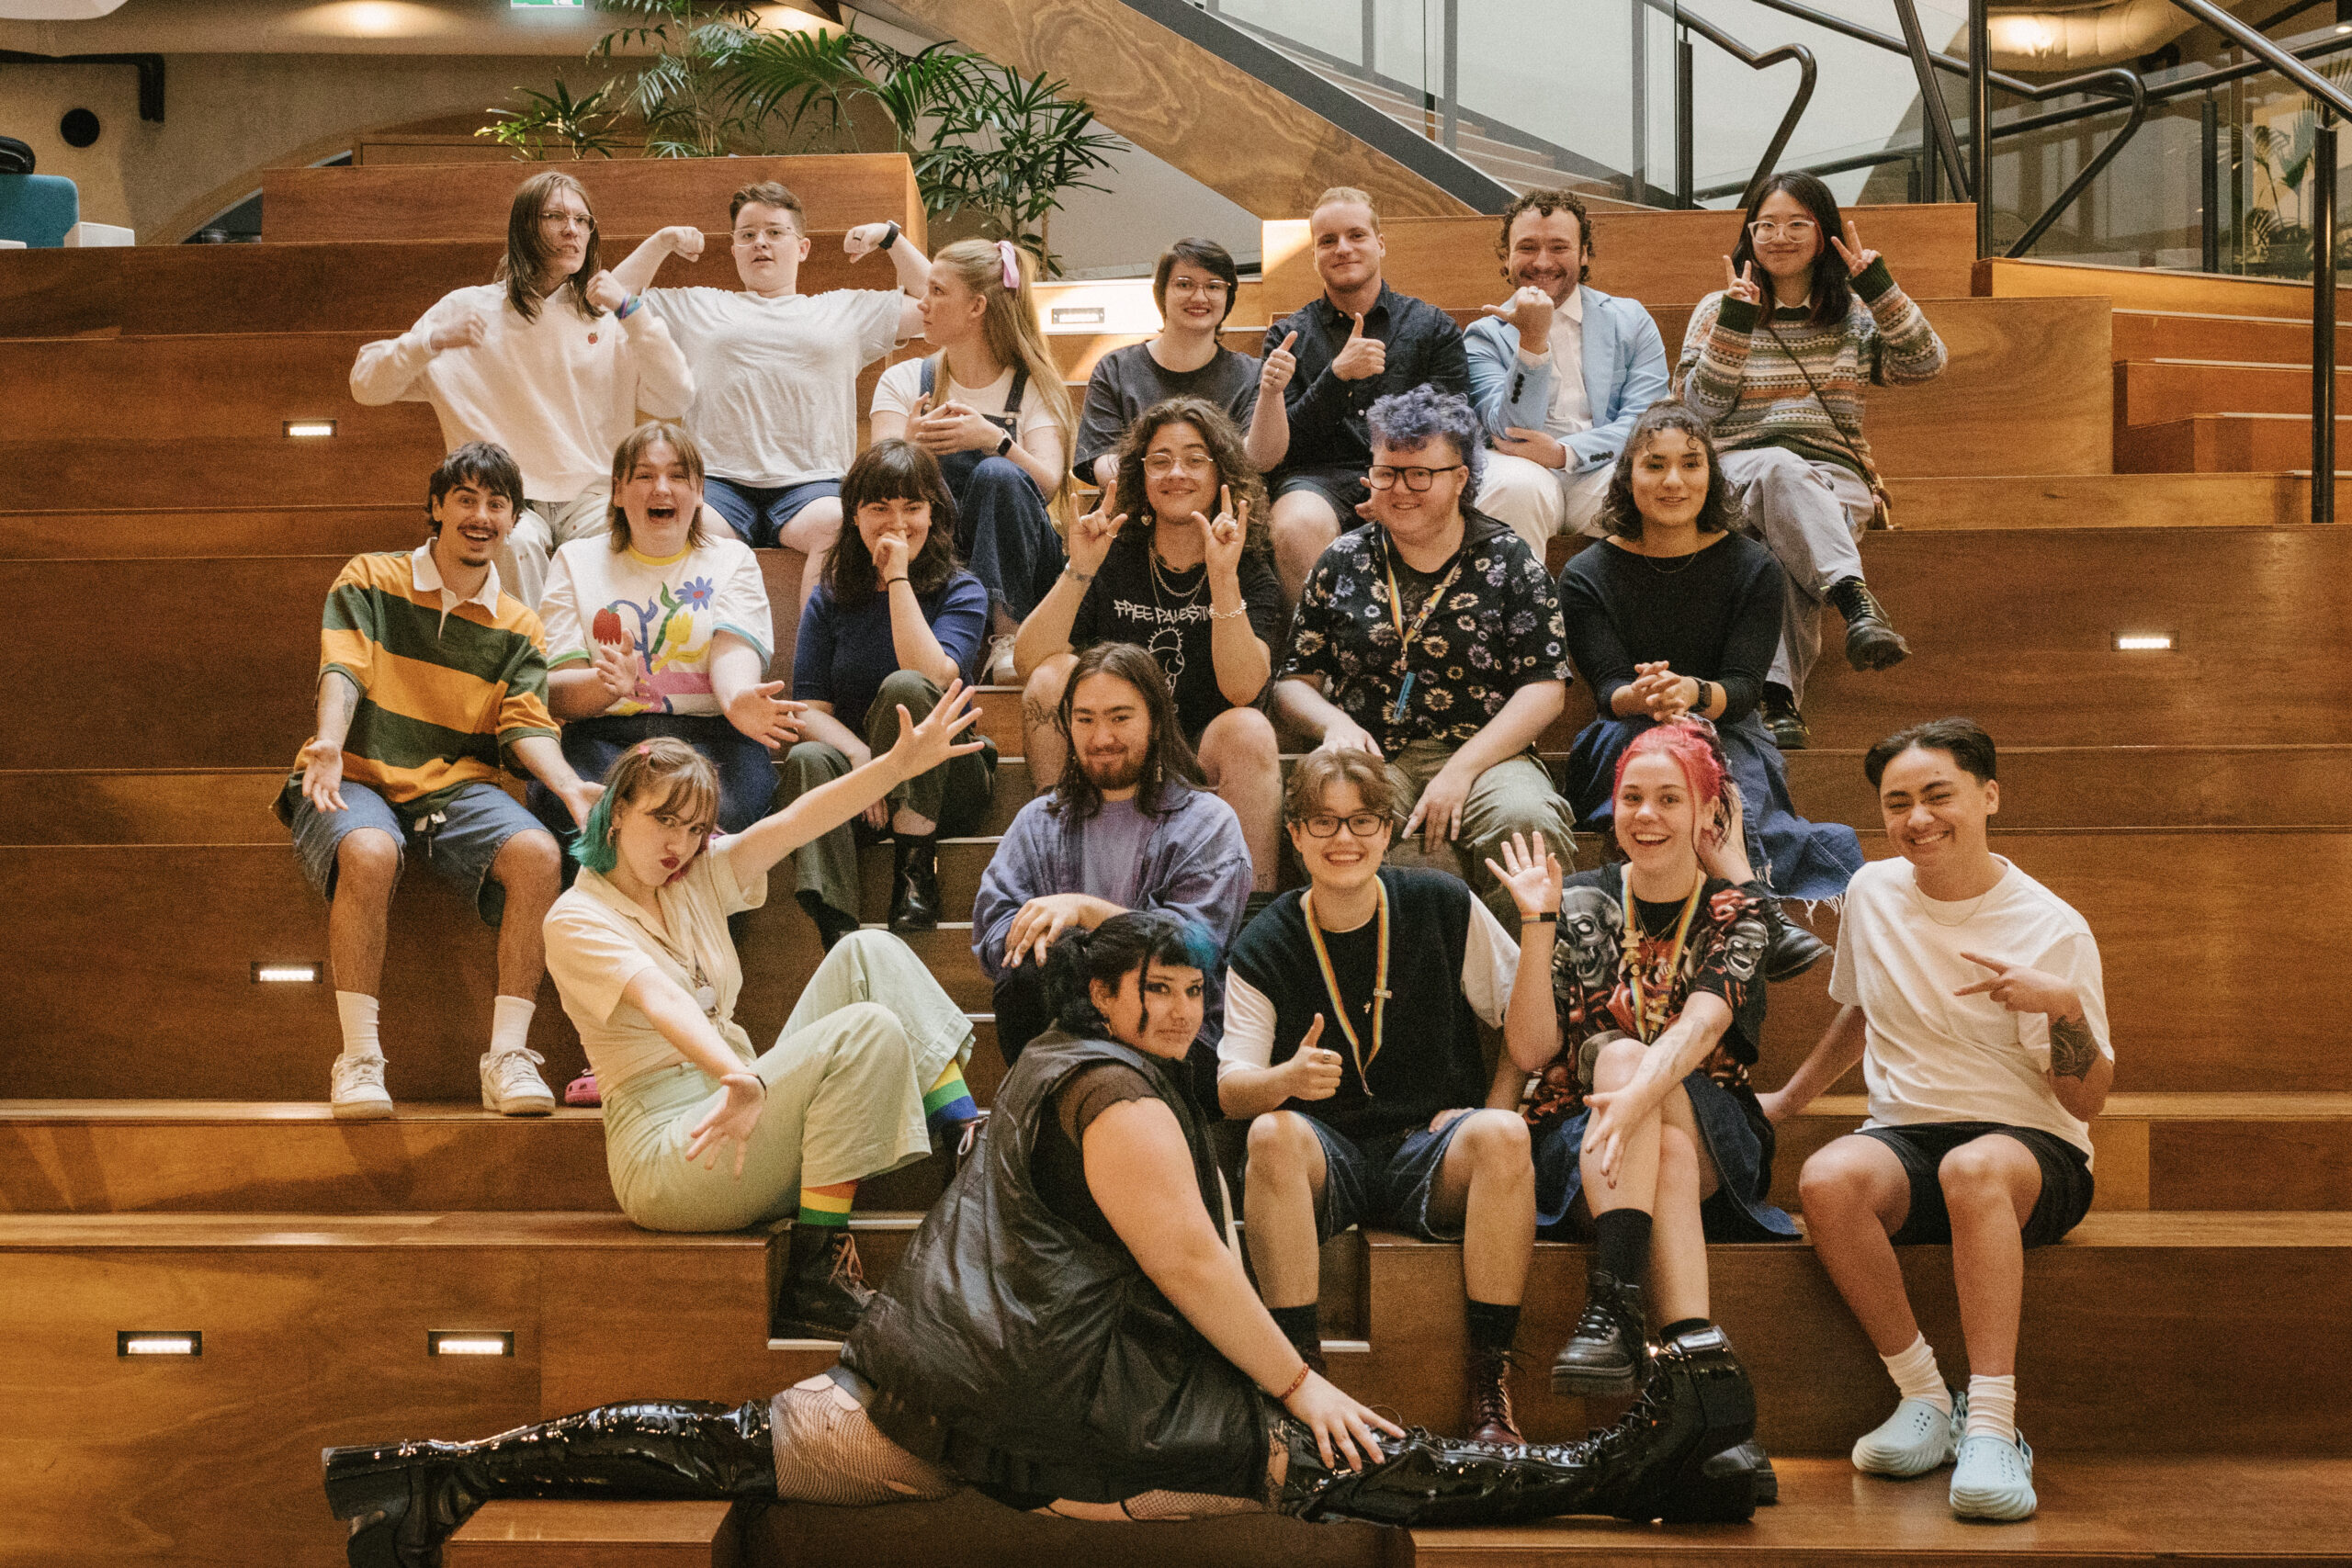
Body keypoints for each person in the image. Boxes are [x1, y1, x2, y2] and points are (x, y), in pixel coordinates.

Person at [324, 911, 1762, 1568]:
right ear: (1107, 997)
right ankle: (1613, 1462)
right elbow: (1198, 1267)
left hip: (926, 1372)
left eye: (1194, 986)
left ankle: (443, 1468)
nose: (1186, 1006)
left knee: (727, 1441)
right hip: (1068, 1393)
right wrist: (1303, 1381)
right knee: (1340, 1460)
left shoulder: (1042, 1071)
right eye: (1159, 988)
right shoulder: (1117, 1091)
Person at [538, 686, 988, 1335]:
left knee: (868, 951)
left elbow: (794, 822)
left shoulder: (693, 875)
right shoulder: (576, 917)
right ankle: (819, 1269)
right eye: (664, 819)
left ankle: (965, 1139)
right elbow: (660, 998)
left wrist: (895, 768)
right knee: (865, 1031)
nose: (679, 844)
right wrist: (738, 1075)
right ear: (614, 812)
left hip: (743, 1106)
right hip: (673, 1152)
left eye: (694, 828)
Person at [1764, 718, 2111, 1523]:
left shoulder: (2050, 925)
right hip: (1909, 1134)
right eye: (1898, 802)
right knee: (1827, 1177)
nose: (1917, 817)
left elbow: (2088, 1101)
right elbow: (1858, 1010)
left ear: (1988, 796)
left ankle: (1994, 1425)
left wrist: (2061, 1005)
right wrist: (1786, 1100)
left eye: (1938, 795)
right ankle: (1925, 1396)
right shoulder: (1873, 891)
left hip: (2034, 1149)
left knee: (1975, 1168)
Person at [1220, 749, 1545, 1447]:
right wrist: (1284, 1080)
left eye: (1363, 820)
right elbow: (1230, 1086)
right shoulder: (1264, 938)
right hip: (1324, 1155)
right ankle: (1297, 1382)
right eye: (1324, 822)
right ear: (1296, 833)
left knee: (1507, 1137)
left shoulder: (1441, 902)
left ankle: (1491, 1386)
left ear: (1390, 826)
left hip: (1427, 1146)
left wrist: (1492, 1106)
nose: (1344, 838)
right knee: (1271, 1134)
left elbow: (1529, 1035)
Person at [278, 442, 603, 1122]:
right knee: (369, 851)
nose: (481, 516)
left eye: (496, 503)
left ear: (513, 520)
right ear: (436, 507)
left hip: (453, 787)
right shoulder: (371, 577)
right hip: (357, 771)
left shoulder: (519, 624)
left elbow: (525, 726)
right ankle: (359, 1059)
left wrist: (569, 785)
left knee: (541, 854)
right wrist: (331, 743)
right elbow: (343, 668)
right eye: (466, 498)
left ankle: (508, 1056)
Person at [1490, 727, 1794, 1420]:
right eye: (1632, 798)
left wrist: (1633, 1097)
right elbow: (1533, 1051)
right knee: (1670, 1157)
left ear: (1706, 814)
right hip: (1588, 1136)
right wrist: (1538, 928)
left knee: (1631, 1062)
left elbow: (1702, 1026)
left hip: (1710, 1117)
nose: (1647, 815)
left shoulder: (1738, 909)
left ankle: (1612, 1302)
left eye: (1668, 799)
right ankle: (1701, 1377)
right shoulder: (1576, 901)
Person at [1556, 400, 1860, 976]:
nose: (1674, 481)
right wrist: (1647, 699)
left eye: (1691, 464)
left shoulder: (1753, 565)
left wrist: (1691, 695)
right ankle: (1758, 912)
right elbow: (1609, 688)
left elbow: (1745, 688)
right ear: (1628, 478)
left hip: (1726, 725)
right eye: (1655, 465)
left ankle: (1744, 910)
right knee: (1683, 753)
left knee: (1706, 752)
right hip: (1624, 730)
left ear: (1711, 476)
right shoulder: (1587, 573)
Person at [1273, 385, 1577, 922]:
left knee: (1527, 825)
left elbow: (1546, 687)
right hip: (1372, 758)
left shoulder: (1510, 562)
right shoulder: (1342, 560)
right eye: (1387, 472)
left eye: (1421, 474)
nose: (1401, 489)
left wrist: (1461, 770)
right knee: (1400, 860)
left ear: (1461, 478)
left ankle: (1517, 994)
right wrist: (1331, 724)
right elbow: (1293, 681)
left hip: (1487, 755)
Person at [1677, 171, 1946, 750]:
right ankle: (1854, 601)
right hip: (1740, 472)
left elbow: (1926, 364)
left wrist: (1879, 287)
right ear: (1749, 235)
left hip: (1836, 479)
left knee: (1775, 547)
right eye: (1766, 225)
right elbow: (1696, 411)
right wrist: (1735, 324)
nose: (1780, 236)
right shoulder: (1718, 307)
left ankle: (1778, 703)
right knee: (1776, 469)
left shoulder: (1851, 312)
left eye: (1797, 224)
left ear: (1822, 234)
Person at [350, 169, 694, 609]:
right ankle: (532, 672)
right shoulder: (467, 308)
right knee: (516, 543)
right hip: (503, 496)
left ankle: (604, 674)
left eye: (583, 220)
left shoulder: (608, 316)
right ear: (524, 227)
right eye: (556, 216)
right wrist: (430, 341)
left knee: (619, 542)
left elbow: (677, 395)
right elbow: (366, 384)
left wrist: (633, 311)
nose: (572, 229)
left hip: (593, 494)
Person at [607, 181, 929, 606]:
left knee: (838, 525)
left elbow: (936, 304)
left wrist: (891, 239)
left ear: (803, 248)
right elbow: (607, 298)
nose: (760, 242)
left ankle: (812, 669)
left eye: (775, 232)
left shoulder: (844, 310)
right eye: (747, 235)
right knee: (676, 525)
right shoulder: (698, 305)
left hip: (813, 484)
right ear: (735, 249)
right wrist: (662, 241)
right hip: (718, 482)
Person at [1014, 398, 1287, 888]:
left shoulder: (1248, 568)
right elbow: (1028, 661)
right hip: (1113, 746)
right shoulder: (1111, 555)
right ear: (1140, 475)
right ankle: (1056, 861)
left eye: (1193, 459)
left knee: (1249, 729)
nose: (1175, 473)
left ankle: (1251, 919)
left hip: (1197, 751)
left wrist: (1223, 577)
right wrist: (1081, 567)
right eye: (1159, 460)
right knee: (1051, 677)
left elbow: (1244, 688)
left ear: (1220, 472)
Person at [972, 642, 1253, 1081]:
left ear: (1156, 722)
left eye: (1120, 718)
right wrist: (1052, 940)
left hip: (1172, 1033)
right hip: (1065, 1022)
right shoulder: (1038, 821)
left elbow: (1198, 946)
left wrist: (1084, 911)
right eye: (1085, 719)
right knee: (1025, 977)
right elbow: (993, 939)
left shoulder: (1208, 823)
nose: (1101, 738)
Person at [534, 421, 797, 852]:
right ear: (617, 492)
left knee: (714, 819)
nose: (662, 488)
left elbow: (732, 656)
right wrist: (601, 687)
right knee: (596, 814)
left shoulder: (732, 559)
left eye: (677, 476)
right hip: (606, 736)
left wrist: (737, 702)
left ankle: (708, 922)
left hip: (712, 735)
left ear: (699, 492)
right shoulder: (575, 560)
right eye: (644, 475)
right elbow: (558, 692)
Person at [779, 441, 994, 946]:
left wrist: (896, 576)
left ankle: (915, 872)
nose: (897, 522)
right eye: (879, 508)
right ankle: (836, 923)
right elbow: (808, 709)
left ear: (932, 514)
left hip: (949, 775)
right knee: (809, 756)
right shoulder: (830, 597)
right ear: (854, 516)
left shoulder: (962, 589)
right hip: (865, 790)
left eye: (912, 507)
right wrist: (862, 760)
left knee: (906, 686)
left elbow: (936, 677)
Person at [1258, 186, 1472, 601]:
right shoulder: (1287, 337)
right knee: (1294, 524)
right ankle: (1313, 661)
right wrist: (1336, 378)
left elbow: (1456, 432)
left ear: (1380, 243)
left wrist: (1394, 484)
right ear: (1315, 255)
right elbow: (1281, 450)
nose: (1343, 249)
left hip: (1414, 474)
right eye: (1327, 241)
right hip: (1318, 481)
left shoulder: (1432, 327)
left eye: (1356, 235)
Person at [870, 237, 1075, 669]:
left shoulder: (1033, 385)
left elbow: (1050, 485)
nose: (921, 304)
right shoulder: (904, 379)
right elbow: (872, 489)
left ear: (977, 307)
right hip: (934, 552)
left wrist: (994, 440)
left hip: (1022, 559)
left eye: (937, 291)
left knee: (998, 473)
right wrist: (907, 447)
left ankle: (1008, 638)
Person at [1468, 188, 1671, 558]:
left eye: (1559, 247)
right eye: (1527, 247)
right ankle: (1518, 614)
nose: (1542, 262)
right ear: (1507, 256)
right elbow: (1508, 430)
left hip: (1604, 464)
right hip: (1520, 468)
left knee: (1652, 487)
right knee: (1515, 488)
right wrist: (1531, 341)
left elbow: (1647, 422)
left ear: (1583, 253)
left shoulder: (1631, 320)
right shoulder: (1483, 336)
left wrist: (1565, 453)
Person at [1072, 237, 1286, 488]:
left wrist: (1272, 394)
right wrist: (1173, 490)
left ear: (1228, 297)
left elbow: (1259, 461)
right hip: (1135, 512)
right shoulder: (1115, 369)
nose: (1200, 297)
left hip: (1222, 516)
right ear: (1162, 292)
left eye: (1214, 286)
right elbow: (1104, 462)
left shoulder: (1251, 374)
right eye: (1184, 285)